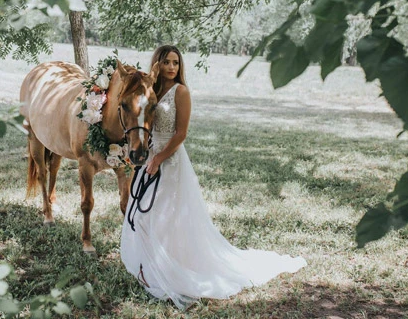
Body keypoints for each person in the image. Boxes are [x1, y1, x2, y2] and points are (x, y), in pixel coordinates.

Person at [120, 45, 307, 310]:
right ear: (157, 65)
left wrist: (160, 159)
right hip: (149, 159)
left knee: (163, 217)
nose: (172, 67)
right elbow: (141, 123)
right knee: (141, 215)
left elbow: (181, 133)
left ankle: (170, 271)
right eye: (167, 62)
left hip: (169, 160)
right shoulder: (151, 91)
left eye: (176, 62)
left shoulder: (180, 93)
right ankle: (150, 268)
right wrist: (140, 153)